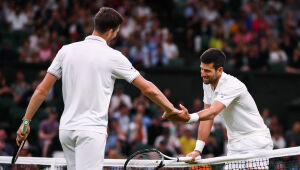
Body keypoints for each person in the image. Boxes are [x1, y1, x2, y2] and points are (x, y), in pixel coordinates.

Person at [16, 7, 181, 170]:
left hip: (66, 131)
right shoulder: (114, 56)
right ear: (111, 32)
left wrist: (25, 123)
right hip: (91, 132)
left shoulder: (66, 51)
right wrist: (171, 109)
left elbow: (41, 90)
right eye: (117, 31)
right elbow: (148, 89)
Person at [164, 48, 273, 169]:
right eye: (201, 69)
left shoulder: (231, 84)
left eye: (207, 71)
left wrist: (189, 118)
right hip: (235, 144)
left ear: (220, 70)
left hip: (256, 140)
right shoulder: (207, 82)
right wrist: (197, 151)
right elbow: (206, 118)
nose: (202, 74)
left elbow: (212, 112)